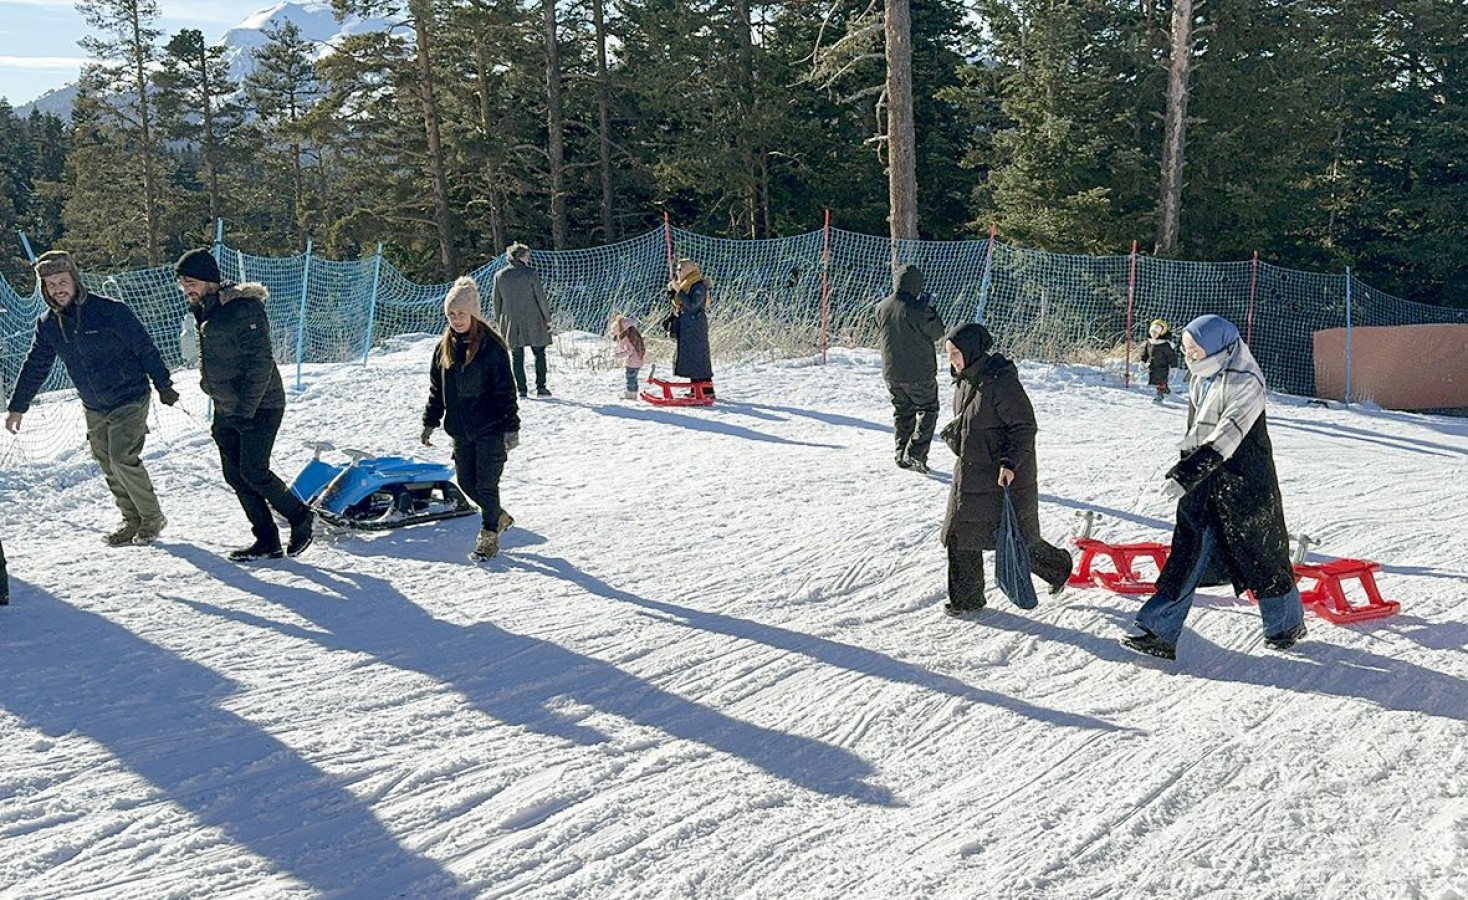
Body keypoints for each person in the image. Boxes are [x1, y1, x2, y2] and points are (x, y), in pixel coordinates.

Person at [1121, 314, 1306, 661]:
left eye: (1196, 350)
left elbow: (1226, 437)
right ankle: (1159, 630)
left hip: (1243, 482)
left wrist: (1186, 474)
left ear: (1220, 347)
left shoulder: (1246, 381)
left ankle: (1286, 624)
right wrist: (1189, 473)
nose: (1189, 357)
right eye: (1187, 349)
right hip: (1205, 479)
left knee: (1262, 554)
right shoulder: (1201, 377)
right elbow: (1198, 433)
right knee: (1188, 552)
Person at [6, 250, 178, 546]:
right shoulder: (48, 324)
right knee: (106, 461)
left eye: (62, 281)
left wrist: (163, 384)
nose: (58, 289)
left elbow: (145, 347)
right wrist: (18, 407)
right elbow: (36, 365)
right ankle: (131, 519)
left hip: (129, 395)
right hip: (94, 403)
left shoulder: (110, 311)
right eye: (50, 284)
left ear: (75, 279)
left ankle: (151, 517)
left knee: (121, 458)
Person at [176, 248, 314, 562]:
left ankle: (300, 517)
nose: (186, 288)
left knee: (254, 470)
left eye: (191, 281)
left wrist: (245, 411)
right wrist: (209, 386)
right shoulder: (206, 309)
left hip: (260, 405)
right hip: (227, 406)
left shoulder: (243, 309)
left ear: (209, 280)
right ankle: (266, 540)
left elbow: (260, 364)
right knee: (235, 476)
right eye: (183, 283)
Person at [939, 322, 1072, 615]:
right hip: (971, 470)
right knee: (961, 534)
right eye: (948, 354)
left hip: (1003, 474)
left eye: (955, 354)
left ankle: (1058, 567)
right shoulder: (964, 379)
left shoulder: (1001, 382)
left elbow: (1024, 426)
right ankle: (967, 600)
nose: (951, 361)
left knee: (1016, 538)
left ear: (972, 351)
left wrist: (1010, 462)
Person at [422, 276, 521, 560]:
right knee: (467, 483)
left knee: (487, 485)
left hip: (491, 428)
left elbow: (506, 390)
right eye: (451, 314)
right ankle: (498, 516)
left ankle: (489, 535)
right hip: (461, 431)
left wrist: (511, 428)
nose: (456, 319)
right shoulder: (444, 348)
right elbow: (437, 389)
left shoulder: (492, 347)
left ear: (473, 313)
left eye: (461, 313)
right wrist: (430, 421)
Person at [875, 263, 947, 473]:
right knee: (928, 410)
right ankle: (916, 453)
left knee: (902, 411)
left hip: (892, 372)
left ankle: (901, 453)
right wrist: (931, 309)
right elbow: (937, 332)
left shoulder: (882, 306)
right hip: (919, 372)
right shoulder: (919, 309)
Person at [492, 242, 553, 398]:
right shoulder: (530, 273)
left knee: (517, 356)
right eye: (527, 255)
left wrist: (500, 322)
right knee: (539, 352)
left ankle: (522, 390)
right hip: (533, 319)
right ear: (521, 256)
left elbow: (496, 302)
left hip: (511, 321)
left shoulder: (500, 275)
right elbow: (541, 298)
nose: (529, 258)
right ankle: (541, 387)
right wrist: (547, 318)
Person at [667, 257, 714, 394]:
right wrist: (672, 292)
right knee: (691, 359)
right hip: (686, 326)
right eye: (677, 269)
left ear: (690, 269)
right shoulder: (686, 285)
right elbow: (679, 304)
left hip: (696, 327)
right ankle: (696, 390)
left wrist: (679, 291)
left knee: (699, 357)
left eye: (680, 269)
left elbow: (692, 305)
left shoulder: (699, 285)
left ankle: (707, 391)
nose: (678, 272)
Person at [1140, 318, 1179, 404]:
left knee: (1160, 381)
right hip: (1153, 366)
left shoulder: (1165, 345)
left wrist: (1174, 367)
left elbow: (1172, 357)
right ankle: (1166, 390)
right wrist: (1142, 361)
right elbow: (1145, 353)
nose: (1153, 334)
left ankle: (1160, 395)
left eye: (1156, 332)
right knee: (1156, 381)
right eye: (1152, 331)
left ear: (1161, 333)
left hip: (1162, 367)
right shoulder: (1149, 342)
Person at [610, 312, 646, 400]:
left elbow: (628, 351)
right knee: (633, 378)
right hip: (638, 361)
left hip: (632, 362)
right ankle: (633, 393)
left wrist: (617, 355)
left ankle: (630, 395)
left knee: (630, 378)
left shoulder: (627, 339)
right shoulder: (634, 335)